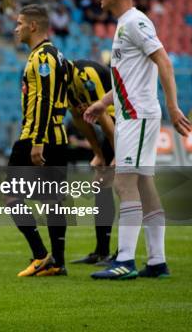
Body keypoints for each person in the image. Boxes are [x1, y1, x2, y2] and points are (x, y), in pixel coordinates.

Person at [85, 0, 190, 280]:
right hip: (132, 113)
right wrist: (103, 102)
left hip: (138, 115)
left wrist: (172, 104)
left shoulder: (135, 21)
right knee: (143, 184)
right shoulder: (123, 26)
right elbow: (127, 77)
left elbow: (164, 61)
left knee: (123, 182)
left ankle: (126, 260)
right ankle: (157, 262)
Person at [7, 5, 69, 277]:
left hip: (36, 136)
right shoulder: (56, 54)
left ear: (33, 26)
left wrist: (38, 141)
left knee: (9, 194)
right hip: (56, 136)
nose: (16, 28)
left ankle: (40, 254)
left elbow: (43, 99)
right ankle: (57, 262)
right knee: (54, 199)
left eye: (19, 23)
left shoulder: (43, 57)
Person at [66, 60, 117, 265]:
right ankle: (102, 251)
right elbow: (80, 119)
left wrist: (116, 154)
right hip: (108, 125)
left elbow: (102, 112)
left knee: (122, 185)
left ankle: (123, 254)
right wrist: (98, 153)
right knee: (101, 186)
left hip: (123, 121)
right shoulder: (64, 84)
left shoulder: (85, 74)